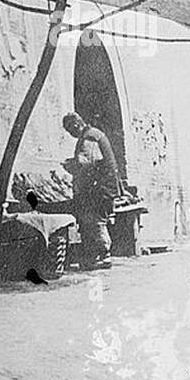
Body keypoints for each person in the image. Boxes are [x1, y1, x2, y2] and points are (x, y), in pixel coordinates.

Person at [62, 112, 121, 269]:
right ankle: (99, 255)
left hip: (101, 188)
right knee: (95, 219)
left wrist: (70, 165)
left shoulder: (89, 137)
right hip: (104, 186)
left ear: (76, 125)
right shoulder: (93, 134)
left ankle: (103, 255)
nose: (71, 134)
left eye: (70, 130)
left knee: (95, 220)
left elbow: (85, 162)